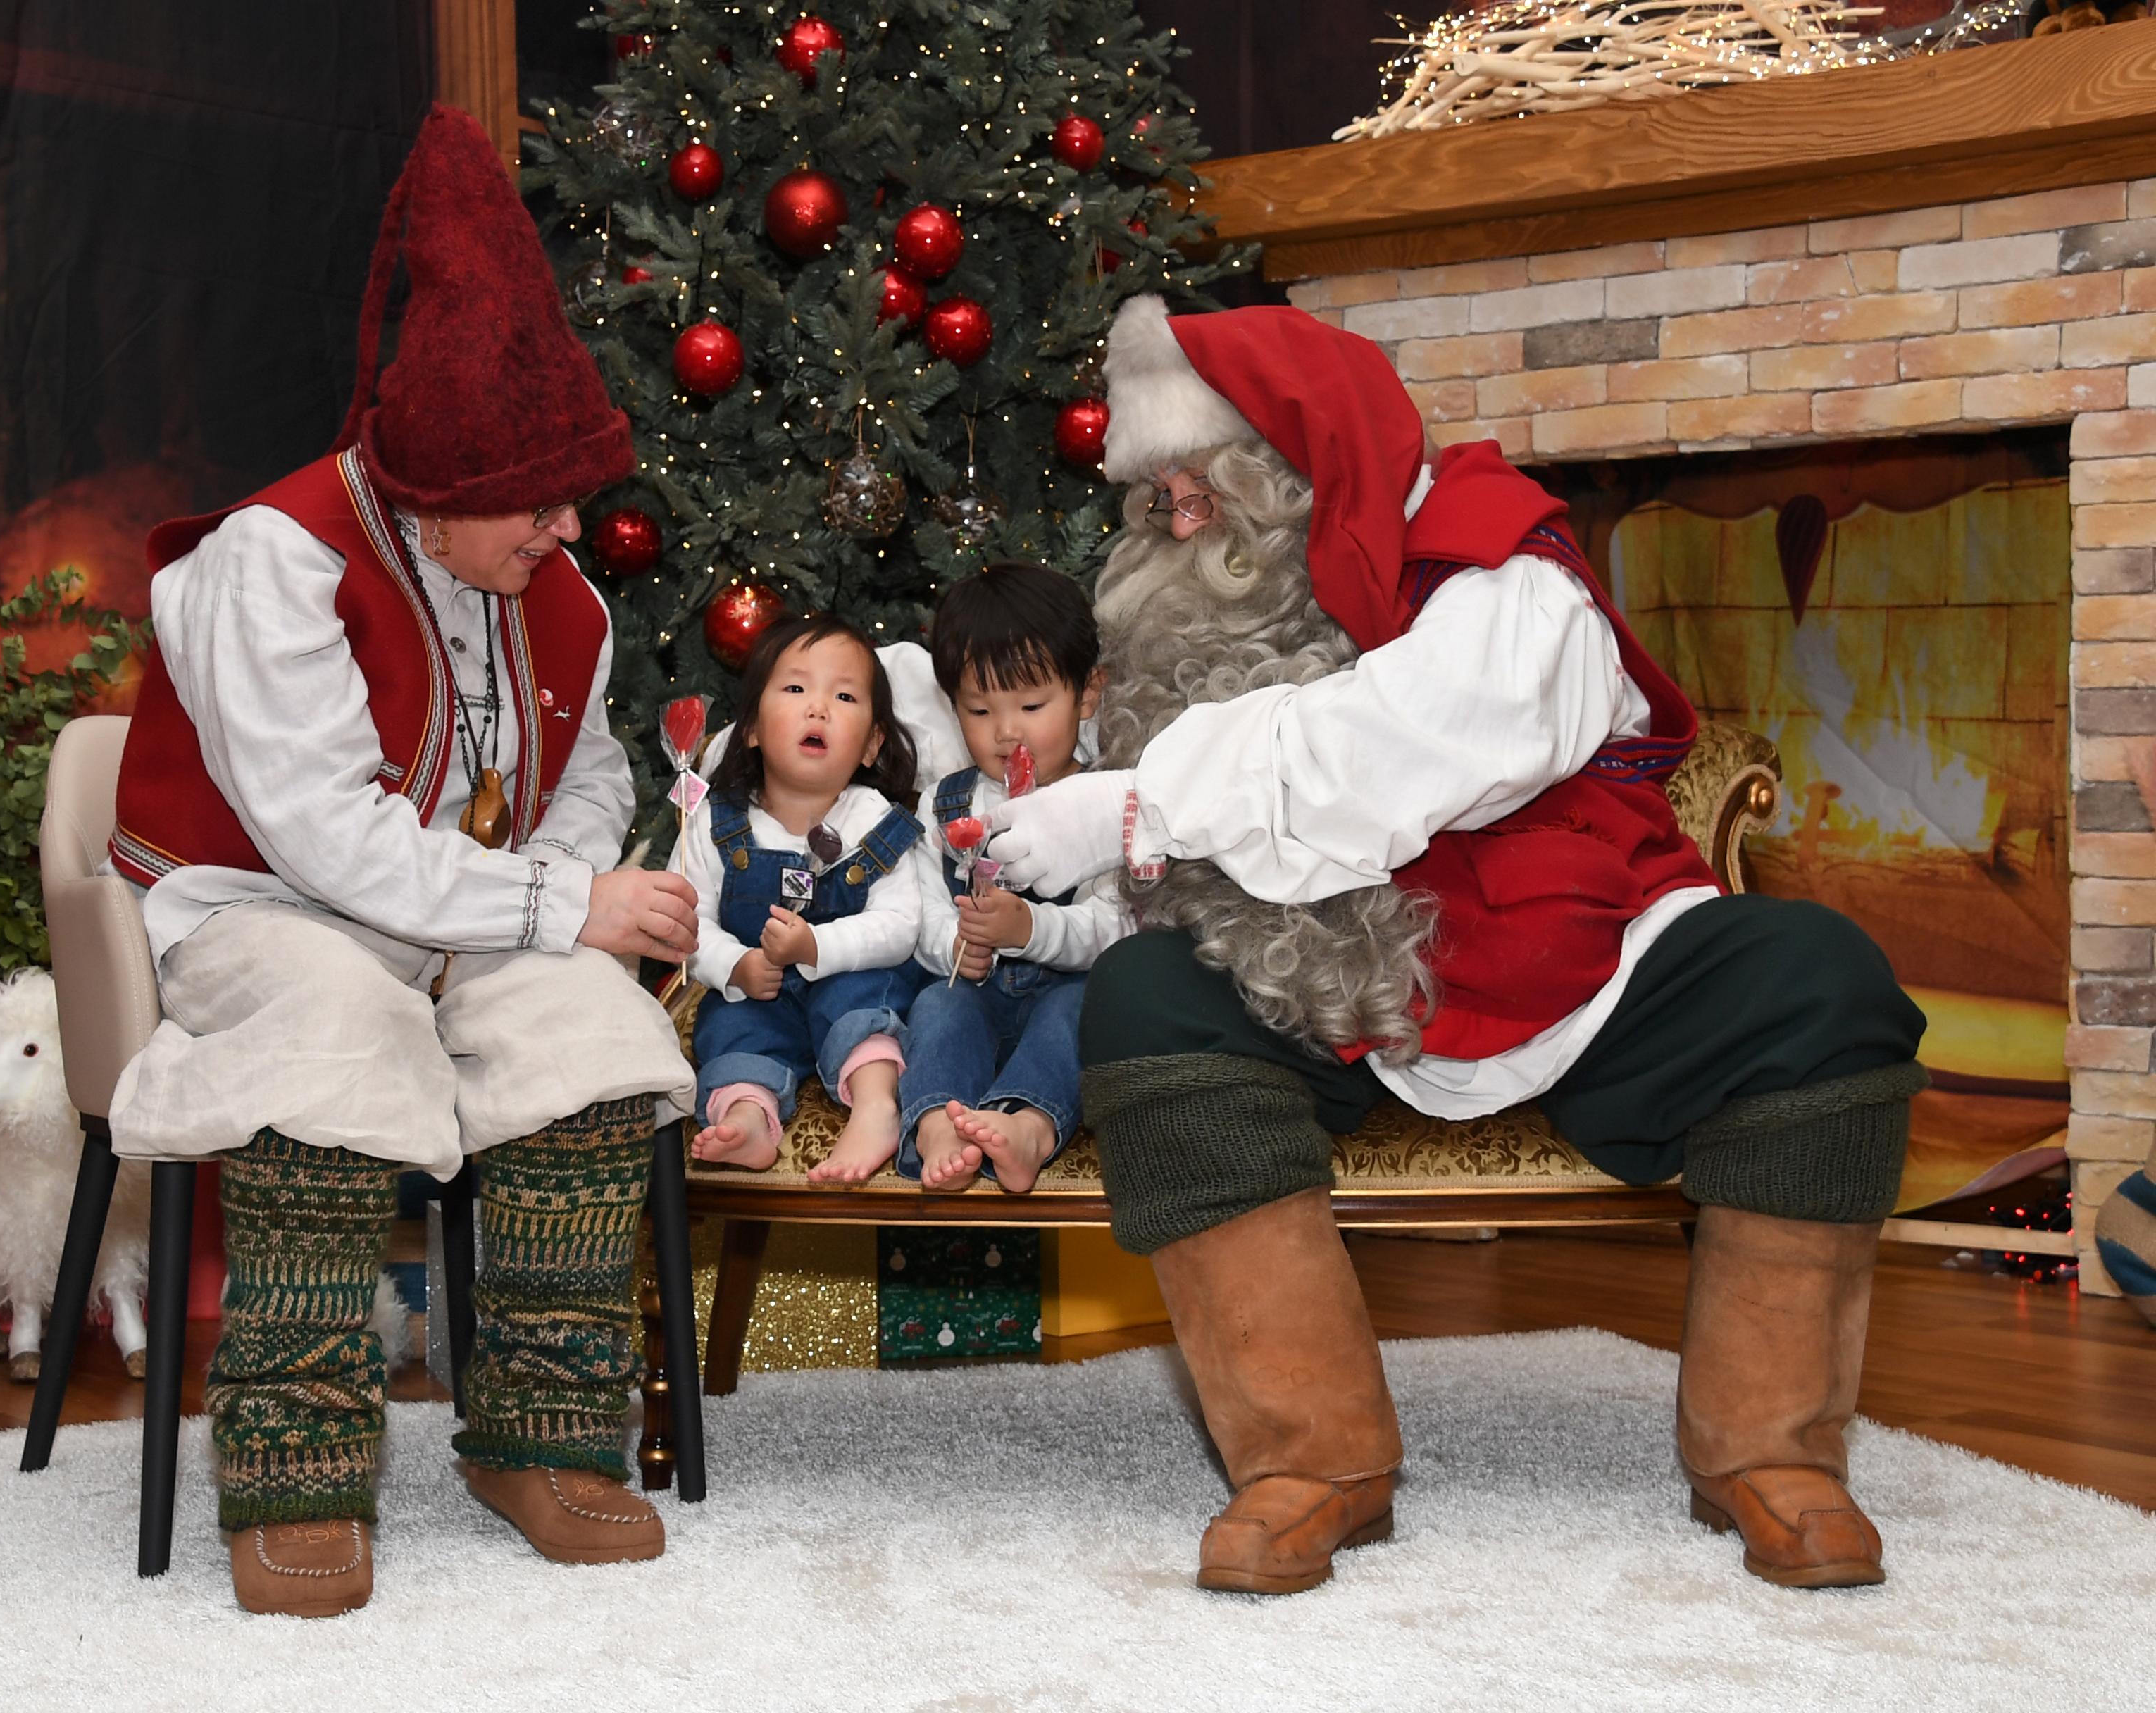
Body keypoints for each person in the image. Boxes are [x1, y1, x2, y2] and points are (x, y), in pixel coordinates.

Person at [986, 295, 1927, 1596]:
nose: (1171, 521)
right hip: (1324, 990)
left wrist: (1140, 803)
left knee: (1817, 983)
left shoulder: (1503, 563)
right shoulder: (1209, 632)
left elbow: (1405, 749)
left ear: (1296, 464)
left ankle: (1772, 1453)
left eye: (1193, 487)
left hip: (1577, 971)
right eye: (1154, 500)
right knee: (1148, 995)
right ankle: (1309, 1459)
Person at [101, 108, 701, 1616]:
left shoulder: (555, 592)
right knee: (336, 1027)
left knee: (598, 1033)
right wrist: (566, 899)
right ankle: (293, 1466)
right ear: (436, 484)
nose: (572, 527)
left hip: (466, 915)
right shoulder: (274, 561)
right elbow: (325, 834)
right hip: (263, 907)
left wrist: (565, 897)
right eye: (541, 499)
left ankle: (542, 1437)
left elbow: (590, 769)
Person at [674, 615, 926, 1186]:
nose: (818, 709)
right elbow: (685, 921)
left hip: (848, 977)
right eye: (795, 689)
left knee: (867, 994)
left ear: (872, 744)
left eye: (843, 696)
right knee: (730, 1021)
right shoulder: (715, 823)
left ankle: (875, 1105)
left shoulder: (874, 821)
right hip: (758, 986)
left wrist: (818, 945)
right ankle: (747, 1114)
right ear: (754, 730)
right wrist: (736, 965)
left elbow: (900, 925)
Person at [897, 562, 1125, 1194]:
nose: (1006, 731)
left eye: (1031, 705)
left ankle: (1028, 1124)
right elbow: (922, 913)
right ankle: (938, 1125)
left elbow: (1115, 925)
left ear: (1087, 693)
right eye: (979, 708)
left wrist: (1032, 927)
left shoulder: (1105, 802)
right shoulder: (945, 805)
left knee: (1082, 1009)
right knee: (938, 1004)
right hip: (978, 993)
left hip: (1065, 992)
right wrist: (955, 946)